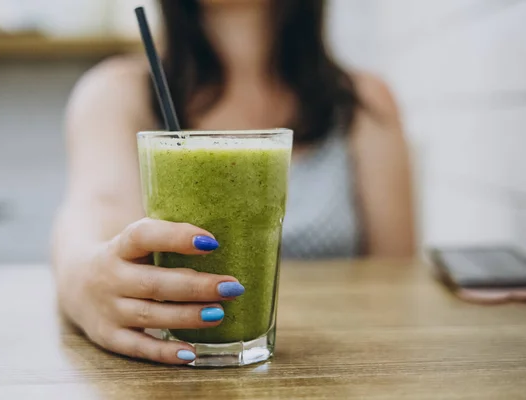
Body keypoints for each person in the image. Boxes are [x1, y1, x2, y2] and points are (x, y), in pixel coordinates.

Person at [53, 0, 415, 365]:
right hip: (173, 371)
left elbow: (396, 282)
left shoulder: (363, 101)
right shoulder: (117, 91)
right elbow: (95, 215)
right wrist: (82, 276)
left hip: (334, 366)